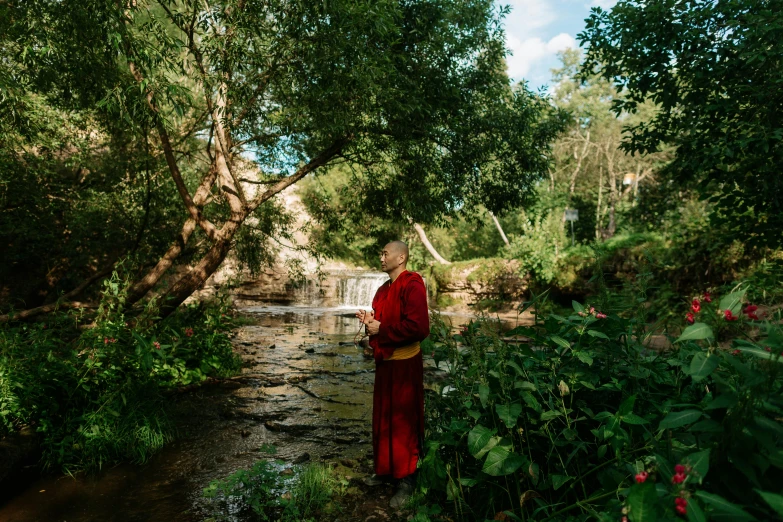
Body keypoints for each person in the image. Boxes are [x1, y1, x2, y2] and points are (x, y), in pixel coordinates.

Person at [356, 240, 429, 509]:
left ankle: (407, 479)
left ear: (401, 258)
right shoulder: (381, 290)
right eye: (381, 252)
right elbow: (377, 327)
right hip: (385, 362)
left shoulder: (413, 284)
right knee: (384, 417)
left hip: (406, 363)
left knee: (403, 419)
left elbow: (418, 327)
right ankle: (386, 470)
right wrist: (368, 325)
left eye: (386, 253)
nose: (381, 256)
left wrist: (381, 329)